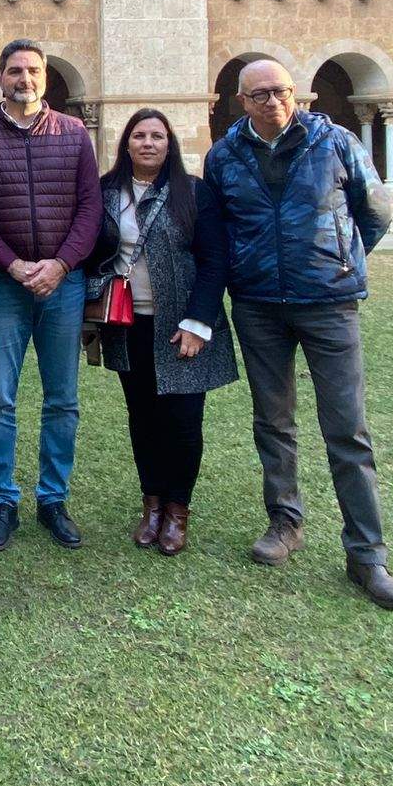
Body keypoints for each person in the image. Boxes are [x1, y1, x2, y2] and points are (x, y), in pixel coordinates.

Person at [201, 59, 393, 611]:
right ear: (241, 102)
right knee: (273, 419)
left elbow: (375, 212)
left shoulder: (334, 141)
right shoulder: (224, 157)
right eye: (261, 94)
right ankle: (284, 522)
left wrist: (339, 261)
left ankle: (367, 555)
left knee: (347, 428)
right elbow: (219, 230)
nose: (274, 101)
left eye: (283, 92)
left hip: (328, 303)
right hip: (258, 303)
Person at [0, 39, 102, 551]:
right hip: (3, 286)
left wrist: (61, 265)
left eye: (33, 70)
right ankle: (2, 501)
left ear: (45, 77)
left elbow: (90, 206)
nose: (25, 78)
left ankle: (53, 499)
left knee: (62, 399)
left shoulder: (74, 133)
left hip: (64, 286)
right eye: (15, 71)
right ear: (0, 79)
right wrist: (13, 264)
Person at [84, 108, 238, 555]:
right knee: (143, 418)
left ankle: (177, 510)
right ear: (126, 144)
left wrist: (198, 323)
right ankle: (151, 504)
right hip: (128, 323)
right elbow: (93, 251)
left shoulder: (193, 193)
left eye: (157, 136)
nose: (148, 143)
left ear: (169, 144)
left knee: (184, 422)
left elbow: (214, 261)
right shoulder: (107, 192)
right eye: (139, 136)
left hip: (182, 325)